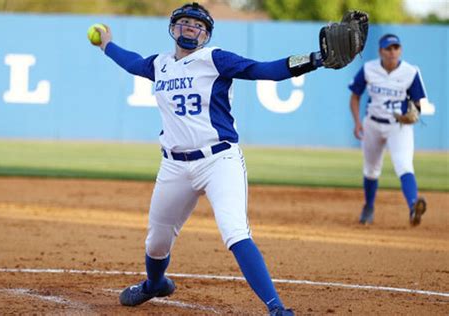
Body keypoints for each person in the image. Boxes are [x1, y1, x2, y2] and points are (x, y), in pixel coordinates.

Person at [94, 3, 329, 315]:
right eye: (184, 23)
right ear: (173, 28)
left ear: (206, 34)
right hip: (174, 165)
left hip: (218, 161)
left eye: (197, 25)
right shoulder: (160, 64)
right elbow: (132, 62)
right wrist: (107, 45)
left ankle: (277, 309)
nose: (190, 28)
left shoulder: (214, 59)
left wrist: (315, 60)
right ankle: (154, 285)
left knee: (235, 232)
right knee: (156, 243)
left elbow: (264, 70)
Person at [348, 34, 427, 226]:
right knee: (371, 169)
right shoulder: (369, 68)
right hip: (372, 124)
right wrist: (357, 122)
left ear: (400, 50)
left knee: (404, 165)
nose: (392, 52)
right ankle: (368, 207)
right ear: (380, 51)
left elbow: (417, 105)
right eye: (388, 48)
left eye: (395, 48)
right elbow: (355, 96)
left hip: (398, 126)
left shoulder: (410, 72)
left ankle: (413, 206)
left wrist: (413, 114)